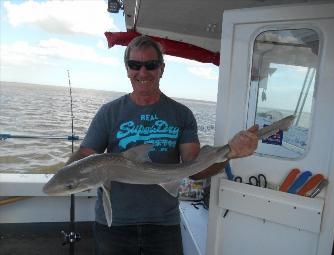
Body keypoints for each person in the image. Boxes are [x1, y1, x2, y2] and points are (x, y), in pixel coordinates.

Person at [66, 35, 258, 255]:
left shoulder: (181, 114)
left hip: (163, 225)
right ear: (127, 69)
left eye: (151, 65)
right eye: (135, 65)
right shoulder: (109, 112)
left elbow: (194, 169)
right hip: (114, 224)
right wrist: (68, 172)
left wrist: (230, 152)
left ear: (161, 68)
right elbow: (85, 153)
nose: (142, 72)